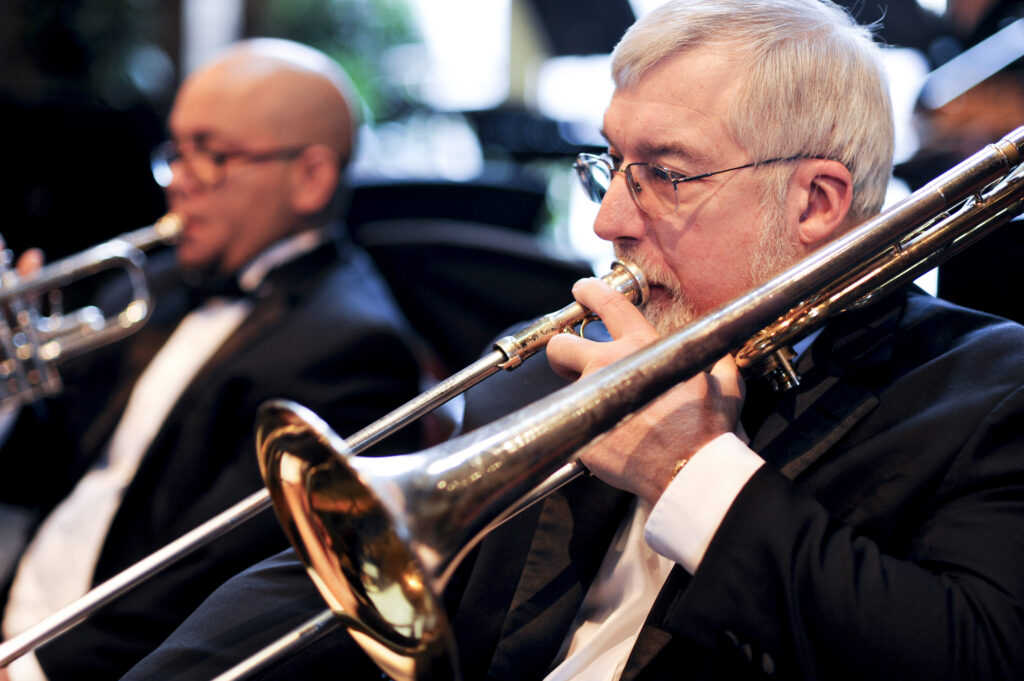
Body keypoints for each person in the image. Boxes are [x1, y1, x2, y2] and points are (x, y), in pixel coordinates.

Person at [119, 1, 1024, 680]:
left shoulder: (987, 391)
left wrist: (692, 473)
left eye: (665, 175)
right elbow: (330, 582)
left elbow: (970, 654)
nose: (608, 220)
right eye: (610, 166)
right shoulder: (555, 360)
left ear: (816, 203)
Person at [0, 38, 426, 681]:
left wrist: (25, 669)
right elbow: (41, 472)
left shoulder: (353, 347)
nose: (178, 185)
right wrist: (8, 388)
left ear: (309, 178)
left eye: (214, 156)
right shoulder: (151, 287)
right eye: (176, 153)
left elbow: (209, 583)